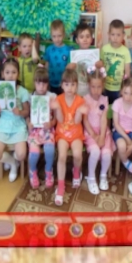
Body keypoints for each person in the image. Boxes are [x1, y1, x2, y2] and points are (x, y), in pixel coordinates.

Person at [0, 58, 31, 182]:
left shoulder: (23, 91)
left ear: (18, 74)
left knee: (21, 154)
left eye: (14, 72)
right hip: (3, 125)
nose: (10, 75)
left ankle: (14, 161)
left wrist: (20, 112)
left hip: (18, 125)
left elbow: (27, 111)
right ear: (3, 74)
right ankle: (13, 163)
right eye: (7, 72)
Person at [52, 69, 87, 206]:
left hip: (76, 133)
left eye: (73, 84)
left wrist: (79, 112)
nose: (70, 88)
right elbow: (60, 120)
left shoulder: (80, 100)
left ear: (77, 86)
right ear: (62, 85)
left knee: (78, 154)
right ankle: (60, 186)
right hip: (62, 134)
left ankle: (76, 171)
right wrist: (57, 109)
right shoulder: (58, 99)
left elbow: (77, 122)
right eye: (67, 84)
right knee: (62, 156)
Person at [82, 68, 114, 195]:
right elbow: (85, 120)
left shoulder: (104, 100)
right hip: (90, 132)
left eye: (99, 87)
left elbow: (104, 119)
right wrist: (94, 135)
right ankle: (91, 177)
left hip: (103, 131)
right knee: (95, 151)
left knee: (106, 154)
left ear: (103, 86)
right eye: (93, 87)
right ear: (89, 86)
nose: (96, 90)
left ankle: (103, 175)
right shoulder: (85, 99)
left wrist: (101, 136)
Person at [27, 66, 57, 189]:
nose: (41, 87)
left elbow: (56, 118)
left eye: (44, 84)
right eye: (39, 83)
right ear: (34, 83)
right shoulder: (30, 97)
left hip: (47, 130)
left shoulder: (52, 96)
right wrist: (29, 123)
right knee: (34, 153)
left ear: (47, 84)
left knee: (50, 150)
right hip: (34, 132)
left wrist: (51, 123)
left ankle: (48, 171)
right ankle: (33, 171)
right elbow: (27, 115)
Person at [66, 23, 103, 96]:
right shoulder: (73, 53)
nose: (85, 39)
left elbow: (101, 66)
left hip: (92, 87)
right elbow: (67, 70)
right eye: (81, 37)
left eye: (87, 36)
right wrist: (69, 67)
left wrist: (100, 64)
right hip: (78, 86)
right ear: (77, 40)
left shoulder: (94, 51)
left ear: (91, 39)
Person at [101, 19, 132, 106]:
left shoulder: (125, 51)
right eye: (113, 34)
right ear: (108, 35)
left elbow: (127, 72)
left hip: (118, 89)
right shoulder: (104, 49)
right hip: (105, 87)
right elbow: (101, 67)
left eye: (118, 35)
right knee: (105, 109)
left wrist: (125, 88)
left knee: (117, 109)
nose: (115, 38)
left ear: (123, 36)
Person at [40, 19, 72, 94]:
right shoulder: (49, 49)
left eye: (59, 36)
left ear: (64, 34)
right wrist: (46, 80)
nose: (57, 39)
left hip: (64, 84)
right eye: (54, 36)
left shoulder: (68, 50)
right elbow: (47, 65)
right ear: (51, 36)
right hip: (51, 83)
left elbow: (70, 68)